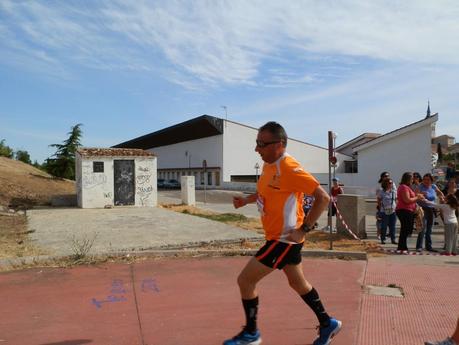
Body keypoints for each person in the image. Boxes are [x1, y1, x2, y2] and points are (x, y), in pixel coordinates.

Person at [226, 122, 341, 345]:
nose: (256, 148)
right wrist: (245, 201)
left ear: (279, 144)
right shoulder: (269, 166)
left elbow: (323, 198)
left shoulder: (289, 167)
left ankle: (251, 334)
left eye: (262, 144)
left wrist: (303, 230)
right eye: (256, 143)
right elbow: (264, 193)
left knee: (245, 281)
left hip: (284, 240)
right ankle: (328, 323)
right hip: (278, 238)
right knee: (298, 284)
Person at [395, 172, 425, 254]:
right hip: (404, 210)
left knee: (407, 229)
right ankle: (402, 247)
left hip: (408, 210)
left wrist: (418, 196)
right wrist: (417, 197)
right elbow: (407, 200)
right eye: (412, 179)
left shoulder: (407, 187)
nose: (413, 180)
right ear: (407, 179)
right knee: (405, 229)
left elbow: (412, 197)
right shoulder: (404, 187)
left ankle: (402, 246)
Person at [416, 173, 444, 252]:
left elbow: (440, 193)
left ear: (431, 180)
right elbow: (416, 194)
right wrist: (420, 195)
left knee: (430, 229)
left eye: (428, 179)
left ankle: (429, 246)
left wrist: (442, 197)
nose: (426, 181)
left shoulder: (433, 186)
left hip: (431, 209)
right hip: (423, 209)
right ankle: (419, 246)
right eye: (424, 179)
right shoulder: (420, 186)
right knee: (422, 228)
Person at [377, 178, 397, 244]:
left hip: (393, 211)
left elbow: (396, 200)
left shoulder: (393, 191)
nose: (391, 184)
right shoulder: (381, 192)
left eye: (391, 183)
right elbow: (379, 200)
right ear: (385, 184)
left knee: (392, 226)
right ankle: (383, 239)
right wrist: (380, 209)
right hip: (384, 211)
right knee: (384, 226)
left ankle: (393, 239)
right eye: (389, 183)